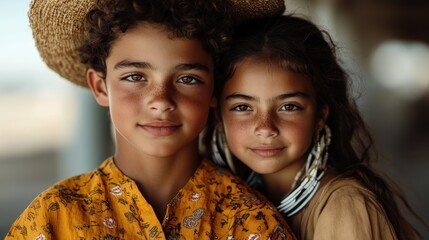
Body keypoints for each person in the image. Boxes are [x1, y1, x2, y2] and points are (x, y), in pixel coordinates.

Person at [6, 0, 296, 239]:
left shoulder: (251, 223)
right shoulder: (53, 219)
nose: (160, 100)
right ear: (100, 86)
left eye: (187, 78)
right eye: (135, 77)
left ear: (214, 89)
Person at [208, 14, 428, 239]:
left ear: (320, 116)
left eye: (289, 107)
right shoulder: (226, 200)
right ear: (218, 115)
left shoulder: (344, 207)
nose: (265, 128)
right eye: (243, 107)